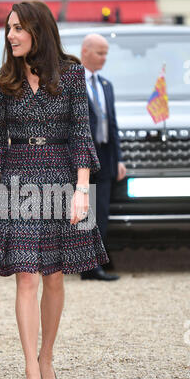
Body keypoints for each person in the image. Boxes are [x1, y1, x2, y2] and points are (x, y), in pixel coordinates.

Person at [0, 0, 108, 379]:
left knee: (53, 275)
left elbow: (81, 134)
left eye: (18, 28)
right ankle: (30, 369)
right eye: (8, 29)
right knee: (26, 275)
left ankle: (46, 356)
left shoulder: (70, 74)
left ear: (38, 30)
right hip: (17, 179)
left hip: (61, 176)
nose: (11, 35)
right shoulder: (2, 79)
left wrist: (82, 190)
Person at [80, 34, 126, 281]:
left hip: (106, 155)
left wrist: (119, 158)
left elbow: (113, 124)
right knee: (85, 212)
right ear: (85, 51)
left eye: (106, 53)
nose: (104, 58)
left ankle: (97, 261)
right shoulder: (73, 82)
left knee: (101, 212)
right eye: (100, 53)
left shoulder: (106, 85)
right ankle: (88, 266)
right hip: (83, 156)